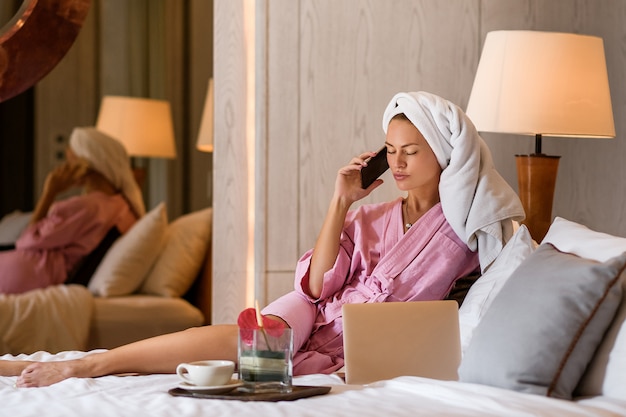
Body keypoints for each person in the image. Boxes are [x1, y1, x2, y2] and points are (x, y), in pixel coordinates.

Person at [1, 91, 524, 387]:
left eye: (412, 150)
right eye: (390, 150)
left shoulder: (467, 230)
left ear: (444, 155)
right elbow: (318, 288)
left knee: (242, 361)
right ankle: (82, 363)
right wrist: (340, 202)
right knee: (242, 334)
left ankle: (76, 363)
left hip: (364, 349)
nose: (398, 163)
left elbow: (502, 268)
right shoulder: (371, 217)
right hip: (313, 317)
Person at [0, 127, 145, 294]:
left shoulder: (86, 207)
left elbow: (27, 240)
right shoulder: (120, 206)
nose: (65, 168)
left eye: (70, 162)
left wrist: (49, 192)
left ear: (85, 165)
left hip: (36, 275)